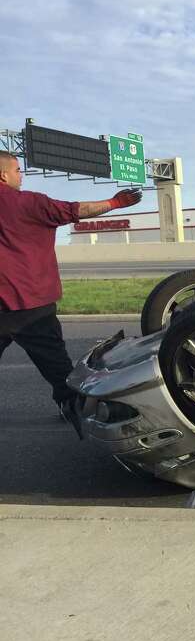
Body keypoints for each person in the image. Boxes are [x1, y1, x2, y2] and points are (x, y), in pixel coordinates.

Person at [0, 150, 143, 435]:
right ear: (3, 174)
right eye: (17, 170)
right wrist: (116, 202)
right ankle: (74, 411)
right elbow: (76, 211)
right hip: (31, 303)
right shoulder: (29, 202)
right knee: (58, 367)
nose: (21, 175)